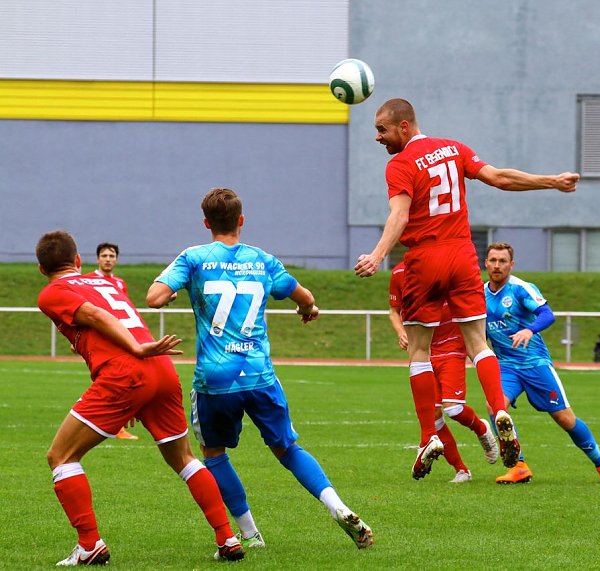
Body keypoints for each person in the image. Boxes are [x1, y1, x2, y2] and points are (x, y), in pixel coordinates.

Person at [354, 98, 578, 479]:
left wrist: (377, 255)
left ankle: (428, 437)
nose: (377, 137)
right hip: (462, 254)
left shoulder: (400, 163)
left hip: (424, 259)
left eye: (382, 129)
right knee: (479, 345)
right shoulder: (453, 148)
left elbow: (400, 214)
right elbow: (500, 178)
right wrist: (552, 181)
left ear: (404, 126)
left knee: (419, 351)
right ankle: (500, 410)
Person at [147, 187, 373, 550]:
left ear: (206, 223)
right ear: (241, 220)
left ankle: (250, 533)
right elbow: (306, 297)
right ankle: (338, 506)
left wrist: (174, 292)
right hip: (259, 375)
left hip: (215, 380)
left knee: (214, 454)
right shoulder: (263, 260)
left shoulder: (194, 257)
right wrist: (306, 310)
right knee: (288, 449)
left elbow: (154, 297)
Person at [35, 230, 244, 565]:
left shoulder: (52, 292)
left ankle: (89, 545)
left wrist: (134, 351)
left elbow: (97, 316)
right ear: (78, 260)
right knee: (184, 458)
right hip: (159, 368)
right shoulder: (108, 283)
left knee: (61, 457)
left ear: (42, 269)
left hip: (127, 368)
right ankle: (227, 537)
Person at [484, 242, 600, 486]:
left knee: (565, 419)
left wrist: (528, 330)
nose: (497, 265)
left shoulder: (520, 288)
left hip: (535, 363)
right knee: (495, 408)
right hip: (506, 366)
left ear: (511, 265)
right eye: (493, 260)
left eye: (502, 261)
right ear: (485, 263)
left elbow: (547, 314)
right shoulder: (479, 294)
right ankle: (519, 466)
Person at [389, 262, 499, 483]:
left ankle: (481, 428)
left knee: (454, 408)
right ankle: (461, 470)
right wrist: (401, 332)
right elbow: (394, 310)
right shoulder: (399, 272)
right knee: (435, 416)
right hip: (424, 351)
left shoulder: (447, 262)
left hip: (451, 347)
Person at [82, 242, 138, 440]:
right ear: (98, 258)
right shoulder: (87, 280)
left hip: (119, 338)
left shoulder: (120, 283)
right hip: (100, 337)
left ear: (116, 259)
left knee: (122, 377)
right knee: (107, 379)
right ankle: (105, 424)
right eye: (104, 255)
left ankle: (116, 425)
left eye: (111, 256)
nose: (108, 259)